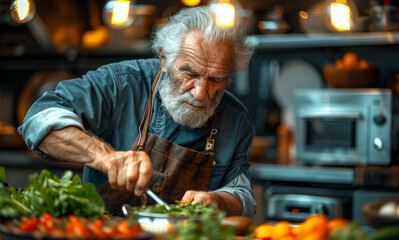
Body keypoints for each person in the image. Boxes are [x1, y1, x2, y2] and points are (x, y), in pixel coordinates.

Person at [18, 6, 257, 217]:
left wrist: (218, 201)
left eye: (217, 79)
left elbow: (243, 196)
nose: (201, 93)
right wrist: (105, 157)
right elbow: (40, 118)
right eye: (190, 74)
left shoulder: (236, 120)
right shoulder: (120, 85)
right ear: (164, 59)